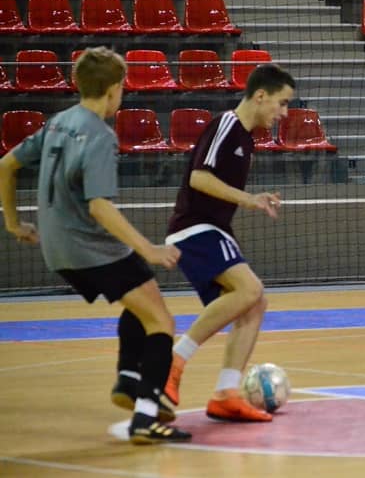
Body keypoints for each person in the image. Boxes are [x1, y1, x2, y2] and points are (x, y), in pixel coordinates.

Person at [0, 47, 191, 444]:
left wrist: (13, 222)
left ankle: (129, 378)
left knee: (143, 295)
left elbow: (6, 165)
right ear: (114, 89)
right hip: (89, 246)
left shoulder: (58, 122)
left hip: (56, 247)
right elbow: (99, 207)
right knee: (162, 323)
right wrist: (150, 247)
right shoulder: (101, 135)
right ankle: (146, 418)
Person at [163, 64, 294, 421]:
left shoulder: (247, 140)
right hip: (194, 228)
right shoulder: (226, 124)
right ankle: (174, 360)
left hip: (214, 230)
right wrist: (249, 199)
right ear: (261, 95)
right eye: (282, 103)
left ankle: (226, 393)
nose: (284, 113)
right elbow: (199, 178)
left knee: (254, 304)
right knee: (251, 289)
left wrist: (252, 198)